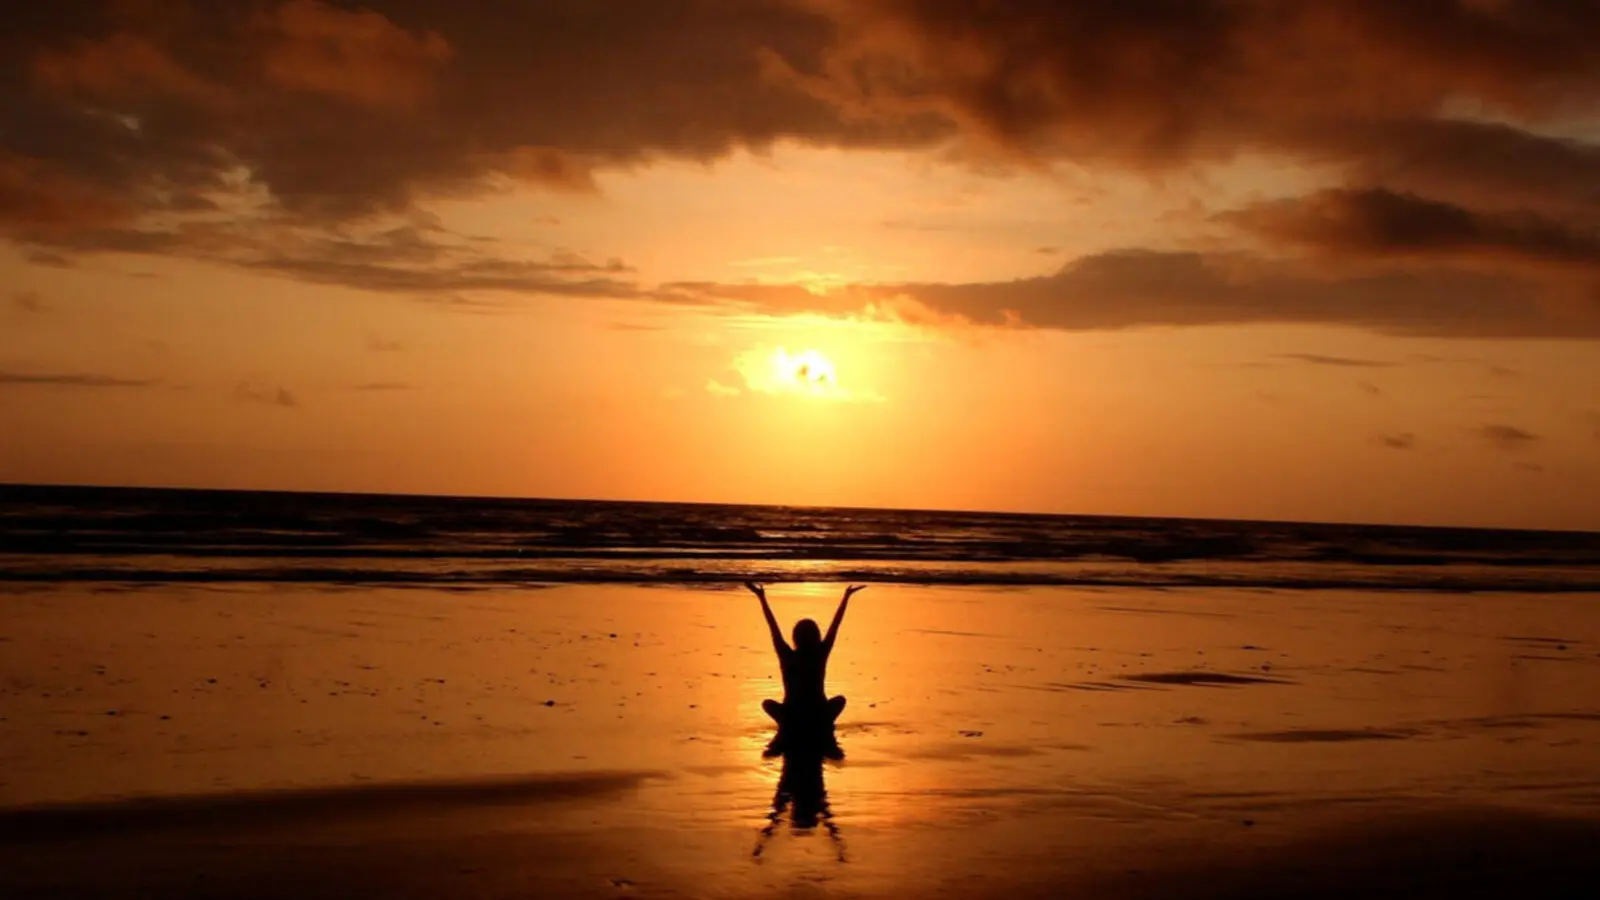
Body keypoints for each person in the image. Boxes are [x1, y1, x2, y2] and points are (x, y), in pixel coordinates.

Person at [745, 581, 864, 743]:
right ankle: (815, 724)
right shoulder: (819, 653)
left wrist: (762, 598)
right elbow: (835, 626)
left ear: (795, 637)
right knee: (840, 700)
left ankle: (795, 725)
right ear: (816, 636)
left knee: (767, 704)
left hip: (792, 715)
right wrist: (846, 597)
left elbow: (773, 627)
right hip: (818, 714)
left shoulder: (788, 655)